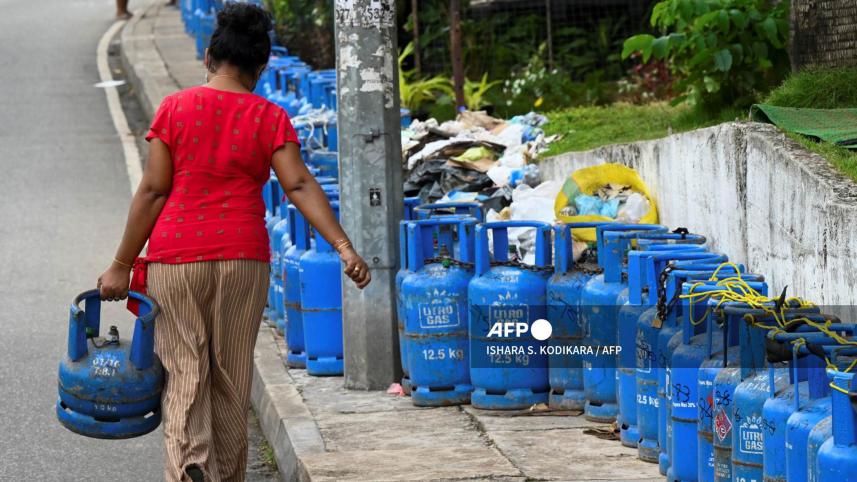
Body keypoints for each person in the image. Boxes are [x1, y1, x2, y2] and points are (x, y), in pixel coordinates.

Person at [97, 4, 371, 481]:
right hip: (243, 259)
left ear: (209, 56)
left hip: (176, 259)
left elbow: (154, 190)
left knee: (185, 371)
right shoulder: (270, 117)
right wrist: (343, 247)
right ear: (260, 66)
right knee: (230, 377)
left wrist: (122, 263)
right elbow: (299, 184)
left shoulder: (175, 109)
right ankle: (224, 473)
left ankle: (190, 464)